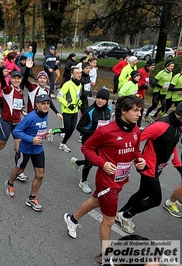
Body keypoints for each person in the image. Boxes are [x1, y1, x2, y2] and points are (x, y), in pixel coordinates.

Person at [64, 96, 146, 249]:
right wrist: (103, 163)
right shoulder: (105, 131)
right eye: (135, 111)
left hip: (121, 178)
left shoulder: (135, 129)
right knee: (109, 220)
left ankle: (72, 219)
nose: (139, 114)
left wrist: (139, 159)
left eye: (140, 111)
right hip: (108, 181)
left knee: (96, 201)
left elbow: (135, 150)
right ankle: (106, 256)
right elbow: (86, 148)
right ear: (123, 111)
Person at [116, 102, 182, 232]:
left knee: (143, 192)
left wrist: (178, 165)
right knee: (155, 200)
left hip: (158, 167)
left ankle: (121, 213)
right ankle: (126, 215)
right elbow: (135, 139)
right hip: (148, 167)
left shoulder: (178, 126)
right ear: (179, 114)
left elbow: (172, 145)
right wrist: (138, 158)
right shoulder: (160, 126)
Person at [4, 94, 52, 211]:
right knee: (19, 169)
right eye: (43, 103)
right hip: (25, 149)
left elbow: (38, 129)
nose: (46, 106)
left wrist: (44, 135)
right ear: (37, 104)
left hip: (38, 149)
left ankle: (32, 198)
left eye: (48, 103)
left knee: (40, 175)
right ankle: (9, 183)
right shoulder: (30, 117)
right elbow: (16, 131)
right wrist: (31, 139)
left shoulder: (45, 115)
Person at [0, 69, 25, 172]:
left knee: (19, 147)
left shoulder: (20, 91)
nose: (16, 80)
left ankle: (18, 171)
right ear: (10, 79)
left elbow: (18, 105)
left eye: (18, 78)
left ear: (21, 80)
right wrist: (1, 72)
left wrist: (22, 111)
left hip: (17, 124)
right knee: (1, 144)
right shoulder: (8, 89)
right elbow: (3, 84)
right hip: (6, 122)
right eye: (14, 78)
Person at [72, 88, 111, 193]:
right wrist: (94, 133)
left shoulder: (109, 110)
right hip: (89, 141)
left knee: (96, 161)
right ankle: (83, 181)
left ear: (107, 100)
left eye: (103, 99)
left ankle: (77, 162)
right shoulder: (89, 111)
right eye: (98, 98)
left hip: (102, 142)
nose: (99, 101)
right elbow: (79, 127)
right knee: (89, 163)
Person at [49, 68, 82, 153]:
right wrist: (68, 105)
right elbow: (59, 96)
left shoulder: (80, 85)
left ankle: (63, 143)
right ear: (72, 74)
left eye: (80, 73)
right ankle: (53, 131)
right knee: (66, 128)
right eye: (77, 73)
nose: (79, 75)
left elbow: (77, 97)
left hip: (75, 110)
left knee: (72, 129)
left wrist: (80, 103)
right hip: (67, 110)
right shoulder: (67, 84)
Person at [136, 59, 156, 127]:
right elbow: (133, 79)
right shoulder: (140, 71)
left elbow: (145, 80)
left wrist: (146, 86)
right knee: (139, 109)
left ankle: (138, 124)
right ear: (148, 66)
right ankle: (137, 125)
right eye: (152, 67)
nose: (153, 68)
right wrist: (141, 86)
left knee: (140, 109)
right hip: (137, 93)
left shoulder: (148, 71)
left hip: (142, 93)